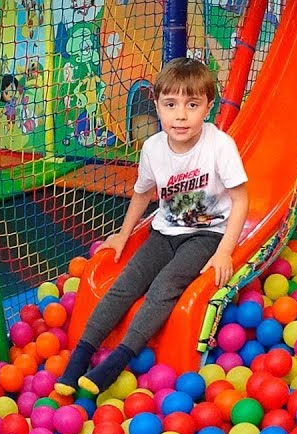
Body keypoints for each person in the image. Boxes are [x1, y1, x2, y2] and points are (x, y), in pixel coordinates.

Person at [55, 57, 249, 396]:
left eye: (192, 104)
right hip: (163, 231)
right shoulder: (153, 148)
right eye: (170, 104)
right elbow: (142, 193)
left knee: (164, 287)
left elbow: (241, 200)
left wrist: (223, 252)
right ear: (157, 105)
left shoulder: (220, 146)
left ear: (208, 106)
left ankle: (116, 362)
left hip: (205, 235)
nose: (181, 115)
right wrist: (123, 233)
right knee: (125, 285)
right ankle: (81, 356)